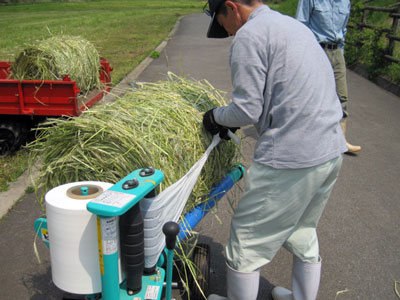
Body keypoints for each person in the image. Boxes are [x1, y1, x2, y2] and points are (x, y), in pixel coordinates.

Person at [202, 0, 348, 299]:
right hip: (330, 148)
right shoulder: (293, 26)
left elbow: (246, 110)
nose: (226, 31)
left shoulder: (249, 35)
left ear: (231, 7)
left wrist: (215, 117)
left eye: (220, 20)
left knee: (246, 241)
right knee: (302, 231)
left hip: (291, 157)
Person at [296, 0, 362, 153]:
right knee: (312, 96)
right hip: (316, 49)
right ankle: (306, 140)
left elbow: (343, 29)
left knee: (341, 97)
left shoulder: (345, 2)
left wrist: (341, 56)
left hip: (337, 51)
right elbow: (300, 26)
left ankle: (341, 141)